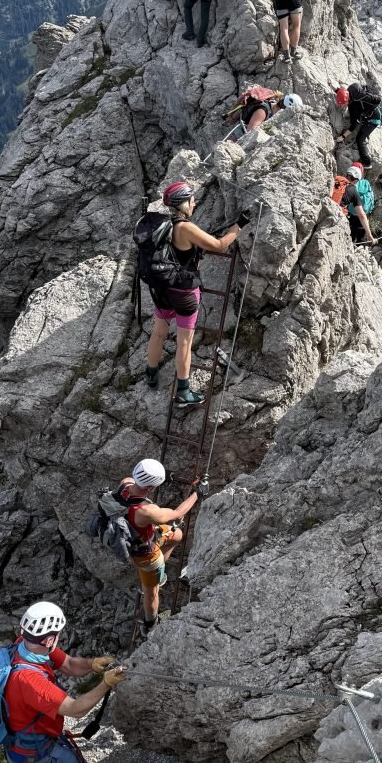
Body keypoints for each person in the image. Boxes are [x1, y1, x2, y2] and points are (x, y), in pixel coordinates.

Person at [2, 601, 126, 763]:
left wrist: (92, 664)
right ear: (50, 640)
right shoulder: (29, 680)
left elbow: (68, 664)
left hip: (31, 743)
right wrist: (106, 684)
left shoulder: (26, 647)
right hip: (38, 755)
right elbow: (75, 709)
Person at [146, 180, 247, 404]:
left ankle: (151, 374)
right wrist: (238, 226)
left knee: (159, 330)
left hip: (162, 286)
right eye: (191, 200)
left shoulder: (162, 224)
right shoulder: (185, 228)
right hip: (184, 292)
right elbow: (220, 244)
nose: (194, 204)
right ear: (183, 203)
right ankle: (183, 392)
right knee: (184, 342)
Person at [112, 458, 206, 635]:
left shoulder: (125, 485)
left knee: (176, 535)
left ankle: (158, 570)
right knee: (151, 593)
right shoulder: (145, 511)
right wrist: (197, 493)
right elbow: (177, 514)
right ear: (150, 488)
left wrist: (167, 477)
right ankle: (150, 623)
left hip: (138, 537)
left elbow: (136, 484)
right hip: (146, 555)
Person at [337, 82, 382, 167]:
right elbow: (342, 93)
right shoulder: (351, 90)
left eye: (343, 104)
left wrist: (342, 137)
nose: (342, 106)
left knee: (360, 139)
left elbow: (353, 126)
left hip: (373, 119)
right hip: (366, 115)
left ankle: (367, 163)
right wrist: (337, 91)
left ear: (347, 100)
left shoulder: (356, 103)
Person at [340, 163, 377, 245]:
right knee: (361, 238)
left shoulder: (339, 181)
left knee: (350, 234)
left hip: (347, 214)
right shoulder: (364, 184)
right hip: (360, 214)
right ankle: (360, 250)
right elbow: (369, 198)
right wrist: (370, 235)